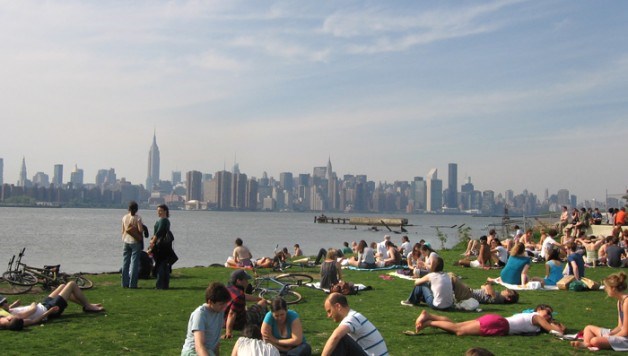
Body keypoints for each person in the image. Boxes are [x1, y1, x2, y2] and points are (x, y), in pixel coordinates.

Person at [414, 304, 564, 337]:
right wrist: (560, 328)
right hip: (499, 324)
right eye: (548, 312)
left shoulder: (535, 321)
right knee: (459, 331)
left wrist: (552, 324)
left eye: (551, 315)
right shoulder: (536, 317)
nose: (549, 316)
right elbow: (553, 329)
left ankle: (430, 316)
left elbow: (547, 328)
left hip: (497, 321)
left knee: (456, 325)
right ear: (539, 309)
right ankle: (429, 323)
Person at [2, 281, 104, 326]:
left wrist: (12, 306)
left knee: (62, 286)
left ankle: (86, 305)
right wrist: (33, 303)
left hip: (44, 305)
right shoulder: (15, 316)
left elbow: (7, 311)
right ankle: (88, 306)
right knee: (71, 284)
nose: (7, 303)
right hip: (48, 309)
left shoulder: (7, 312)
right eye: (5, 302)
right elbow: (32, 310)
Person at [571, 272, 628, 351]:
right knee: (588, 328)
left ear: (613, 288)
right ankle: (586, 344)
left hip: (626, 338)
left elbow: (625, 331)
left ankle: (591, 343)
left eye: (607, 287)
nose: (605, 289)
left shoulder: (626, 302)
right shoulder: (620, 302)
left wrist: (609, 337)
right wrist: (610, 334)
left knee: (595, 340)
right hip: (622, 334)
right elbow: (619, 326)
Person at [322, 292, 388, 356]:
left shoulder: (352, 318)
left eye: (329, 311)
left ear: (338, 306)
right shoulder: (354, 316)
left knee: (341, 338)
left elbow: (336, 336)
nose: (329, 315)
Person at [181, 282, 232, 356]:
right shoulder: (200, 315)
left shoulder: (220, 312)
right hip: (193, 352)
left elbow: (216, 340)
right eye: (221, 304)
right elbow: (199, 346)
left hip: (208, 351)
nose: (224, 307)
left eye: (225, 304)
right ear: (210, 302)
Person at [224, 270, 268, 339]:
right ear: (239, 281)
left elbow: (245, 296)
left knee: (261, 302)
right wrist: (228, 332)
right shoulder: (239, 296)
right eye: (246, 280)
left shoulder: (228, 289)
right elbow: (232, 314)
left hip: (223, 322)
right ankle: (267, 325)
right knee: (263, 304)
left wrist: (259, 299)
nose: (247, 282)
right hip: (240, 323)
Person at [448, 274, 519, 305]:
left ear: (508, 298)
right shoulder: (497, 294)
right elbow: (483, 286)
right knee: (451, 275)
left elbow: (487, 286)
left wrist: (489, 284)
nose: (506, 289)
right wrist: (487, 287)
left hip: (468, 295)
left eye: (509, 291)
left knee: (452, 278)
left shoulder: (498, 298)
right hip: (468, 292)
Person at [149, 204, 173, 289]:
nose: (158, 212)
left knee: (160, 265)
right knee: (164, 265)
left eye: (160, 211)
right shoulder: (165, 221)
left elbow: (159, 233)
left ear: (165, 211)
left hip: (160, 246)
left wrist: (152, 242)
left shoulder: (163, 221)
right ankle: (165, 284)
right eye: (158, 211)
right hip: (165, 246)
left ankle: (160, 285)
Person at [121, 200, 144, 289]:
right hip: (135, 241)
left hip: (126, 240)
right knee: (134, 263)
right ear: (136, 209)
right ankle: (133, 284)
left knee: (125, 262)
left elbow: (123, 230)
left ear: (128, 208)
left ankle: (124, 283)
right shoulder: (137, 218)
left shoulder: (124, 217)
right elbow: (140, 230)